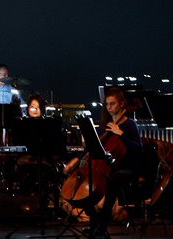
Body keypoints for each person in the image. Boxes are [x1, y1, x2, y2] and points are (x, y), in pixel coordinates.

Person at [62, 87, 143, 237]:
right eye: (107, 104)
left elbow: (139, 150)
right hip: (106, 167)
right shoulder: (104, 126)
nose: (109, 107)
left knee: (113, 178)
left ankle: (102, 224)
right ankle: (95, 220)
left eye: (112, 103)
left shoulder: (130, 125)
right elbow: (94, 147)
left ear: (121, 104)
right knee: (85, 181)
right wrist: (76, 160)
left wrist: (121, 134)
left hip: (127, 168)